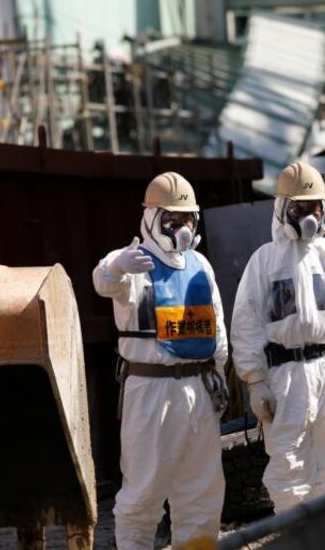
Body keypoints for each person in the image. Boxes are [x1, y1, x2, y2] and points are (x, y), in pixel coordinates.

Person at [230, 160, 325, 512]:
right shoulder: (264, 262)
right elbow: (246, 325)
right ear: (282, 209)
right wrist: (255, 382)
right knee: (288, 468)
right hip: (287, 377)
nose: (308, 216)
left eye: (315, 207)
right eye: (299, 208)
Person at [93, 172, 228, 549]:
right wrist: (117, 266)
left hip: (199, 391)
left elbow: (217, 327)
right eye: (171, 219)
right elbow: (102, 281)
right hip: (151, 391)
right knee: (143, 495)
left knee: (202, 494)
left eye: (187, 219)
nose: (180, 228)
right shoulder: (132, 262)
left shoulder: (201, 264)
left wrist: (220, 377)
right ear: (151, 217)